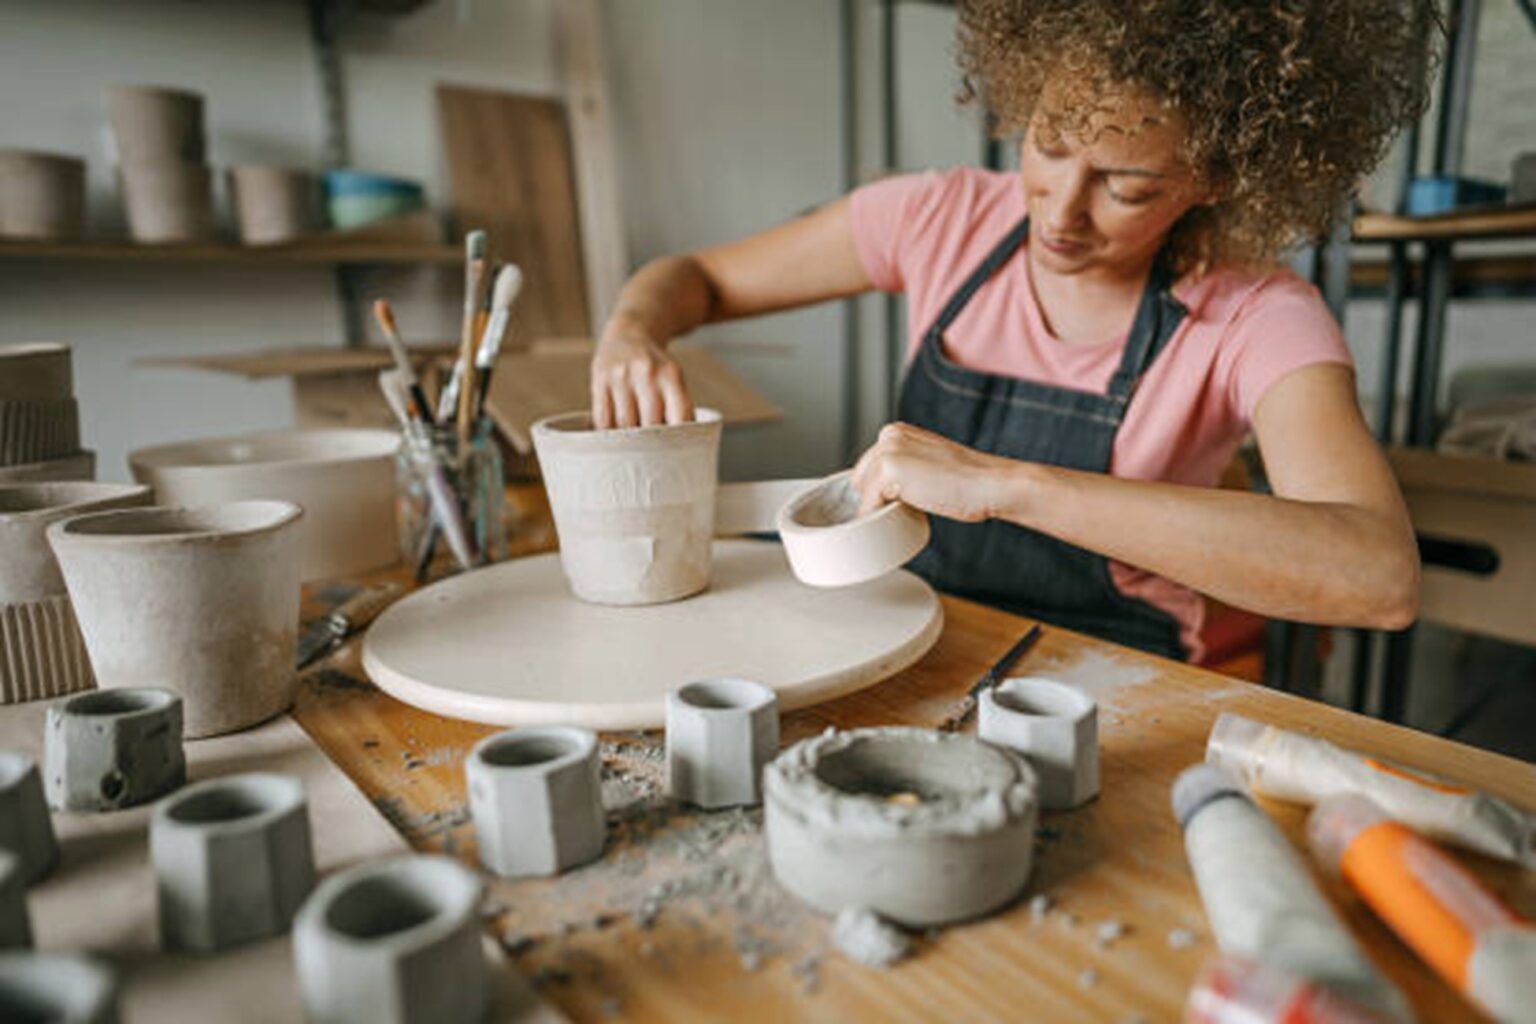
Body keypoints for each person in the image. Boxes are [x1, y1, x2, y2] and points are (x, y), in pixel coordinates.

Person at [587, 0, 1437, 663]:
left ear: (1215, 177)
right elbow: (694, 281)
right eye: (1051, 143)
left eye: (1127, 187)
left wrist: (1004, 485)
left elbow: (1378, 576)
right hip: (899, 620)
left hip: (1107, 663)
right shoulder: (942, 217)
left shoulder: (1258, 316)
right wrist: (632, 328)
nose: (1062, 212)